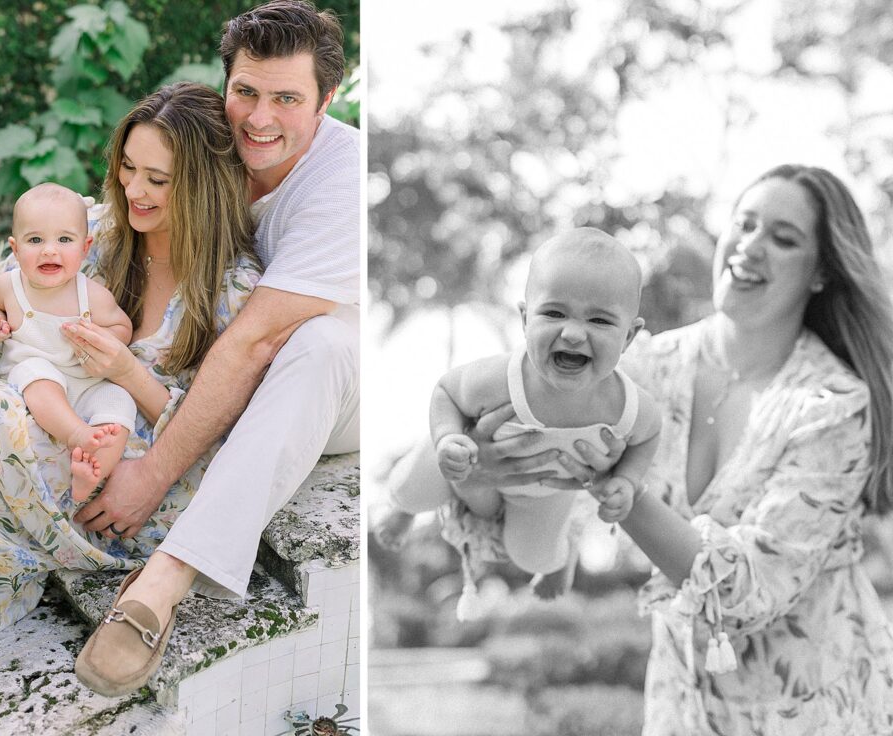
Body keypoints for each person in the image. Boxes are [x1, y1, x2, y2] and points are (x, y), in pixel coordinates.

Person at [408, 164, 893, 733]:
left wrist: (622, 491)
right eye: (745, 224)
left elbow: (749, 592)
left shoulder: (832, 404)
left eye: (783, 239)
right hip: (680, 702)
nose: (751, 245)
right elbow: (523, 520)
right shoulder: (646, 368)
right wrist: (485, 471)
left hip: (821, 707)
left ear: (820, 273)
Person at [0, 82, 260, 693]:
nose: (134, 190)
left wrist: (126, 372)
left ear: (202, 186)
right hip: (51, 416)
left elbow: (225, 434)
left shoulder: (234, 290)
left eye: (158, 179)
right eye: (128, 167)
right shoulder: (96, 228)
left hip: (129, 469)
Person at [64, 0, 359, 696]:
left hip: (339, 384)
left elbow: (254, 341)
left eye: (287, 98)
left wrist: (152, 475)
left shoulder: (342, 180)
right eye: (246, 92)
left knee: (313, 343)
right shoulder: (220, 144)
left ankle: (163, 583)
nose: (260, 117)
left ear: (326, 100)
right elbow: (137, 198)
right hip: (228, 371)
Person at [377, 229, 660, 618]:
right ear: (526, 318)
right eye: (554, 313)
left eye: (599, 320)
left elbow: (649, 434)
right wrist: (447, 440)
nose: (574, 333)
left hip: (544, 491)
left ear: (629, 336)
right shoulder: (499, 379)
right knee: (412, 488)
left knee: (534, 556)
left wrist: (626, 480)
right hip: (467, 454)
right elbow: (446, 390)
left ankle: (563, 555)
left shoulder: (628, 405)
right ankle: (405, 510)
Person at [0, 182, 135, 502]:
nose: (50, 250)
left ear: (85, 248)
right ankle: (76, 434)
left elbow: (122, 325)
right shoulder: (9, 286)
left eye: (64, 239)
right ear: (15, 248)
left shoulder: (91, 294)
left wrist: (105, 339)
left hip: (85, 383)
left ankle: (91, 473)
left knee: (120, 402)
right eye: (35, 240)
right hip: (35, 382)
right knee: (36, 371)